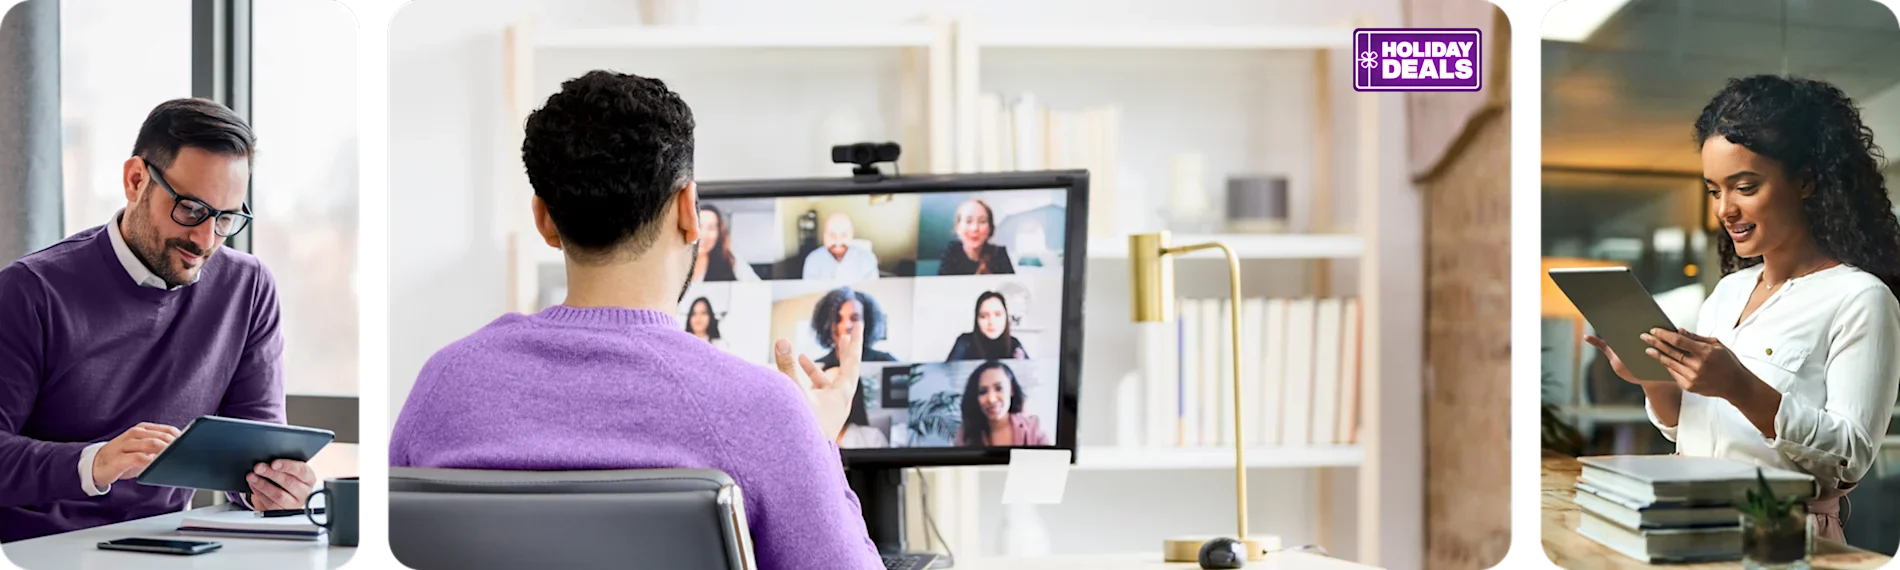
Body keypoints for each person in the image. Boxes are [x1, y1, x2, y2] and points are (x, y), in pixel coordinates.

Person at [387, 71, 881, 569]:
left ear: (543, 220)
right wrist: (815, 444)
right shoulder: (764, 412)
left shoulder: (444, 385)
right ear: (690, 209)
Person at [1585, 75, 1900, 542]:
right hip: (1689, 528)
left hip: (1784, 541)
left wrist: (1739, 386)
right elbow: (1695, 433)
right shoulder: (1727, 294)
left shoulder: (1860, 299)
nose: (1724, 209)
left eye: (1744, 187)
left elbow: (1849, 457)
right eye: (1714, 190)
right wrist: (1654, 382)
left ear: (1806, 182)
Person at [0, 98, 317, 543]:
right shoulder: (30, 290)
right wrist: (93, 463)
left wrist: (274, 487)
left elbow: (254, 452)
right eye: (190, 209)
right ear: (135, 181)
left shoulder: (248, 289)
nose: (206, 240)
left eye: (226, 218)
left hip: (164, 543)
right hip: (37, 548)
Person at [953, 361, 1050, 447]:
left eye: (999, 388)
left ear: (1011, 390)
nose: (991, 399)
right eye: (983, 392)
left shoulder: (1033, 428)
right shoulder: (965, 434)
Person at [811, 287, 899, 369]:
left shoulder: (887, 362)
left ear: (867, 322)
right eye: (838, 319)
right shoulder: (817, 367)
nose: (847, 326)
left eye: (854, 318)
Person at [938, 199, 1014, 275]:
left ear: (990, 228)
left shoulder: (999, 254)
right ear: (958, 227)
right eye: (968, 221)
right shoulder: (951, 251)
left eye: (982, 221)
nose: (975, 228)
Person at [946, 291, 1028, 361]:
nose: (991, 322)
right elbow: (947, 376)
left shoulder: (1014, 344)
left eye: (998, 314)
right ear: (977, 319)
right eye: (984, 316)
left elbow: (1029, 375)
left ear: (1006, 316)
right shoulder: (964, 342)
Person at [801, 212, 880, 281]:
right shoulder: (812, 260)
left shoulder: (867, 259)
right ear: (824, 236)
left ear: (851, 235)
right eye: (832, 235)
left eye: (844, 235)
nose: (837, 241)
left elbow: (871, 292)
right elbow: (810, 293)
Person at [693, 203, 759, 282]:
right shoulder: (676, 261)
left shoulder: (729, 260)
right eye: (699, 226)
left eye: (711, 228)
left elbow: (758, 288)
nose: (704, 234)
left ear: (719, 233)